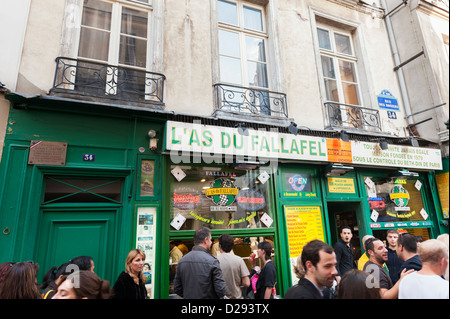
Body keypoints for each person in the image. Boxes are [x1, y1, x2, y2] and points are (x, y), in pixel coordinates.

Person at [174, 227, 226, 299]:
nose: (211, 242)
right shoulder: (212, 261)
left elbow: (177, 288)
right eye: (210, 240)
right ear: (205, 240)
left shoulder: (182, 261)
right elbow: (221, 290)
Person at [217, 234, 250, 299]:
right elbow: (247, 283)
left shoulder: (215, 261)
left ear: (220, 246)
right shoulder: (239, 260)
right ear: (232, 247)